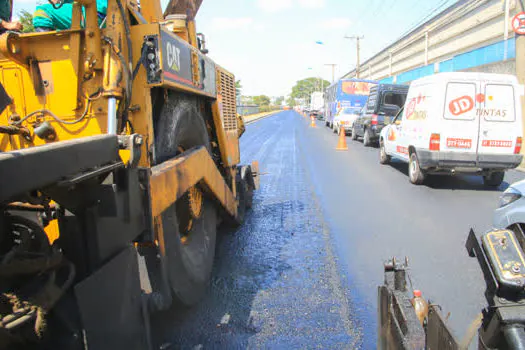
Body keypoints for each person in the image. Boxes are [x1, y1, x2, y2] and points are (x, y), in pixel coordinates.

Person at [33, 0, 106, 32]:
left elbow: (55, 2)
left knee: (42, 12)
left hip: (94, 10)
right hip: (108, 16)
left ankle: (47, 54)